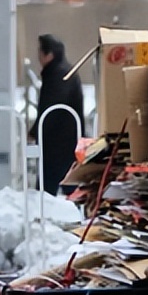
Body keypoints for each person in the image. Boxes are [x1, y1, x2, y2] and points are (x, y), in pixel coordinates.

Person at [28, 34, 85, 195]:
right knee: (65, 183)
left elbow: (52, 107)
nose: (38, 57)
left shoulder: (58, 74)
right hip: (65, 141)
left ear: (49, 54)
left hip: (59, 142)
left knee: (50, 187)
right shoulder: (61, 72)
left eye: (40, 52)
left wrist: (35, 131)